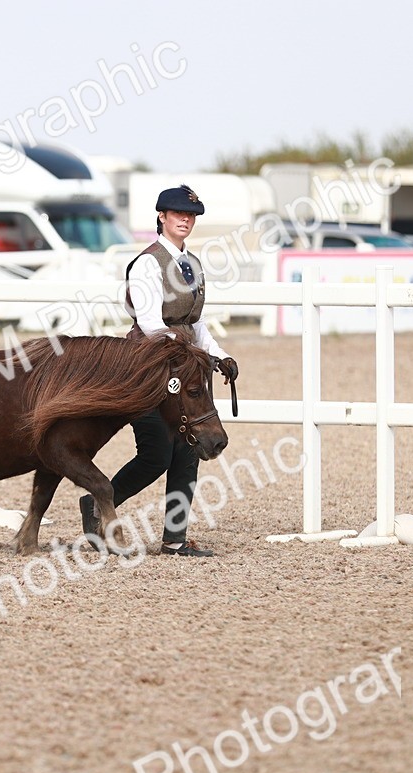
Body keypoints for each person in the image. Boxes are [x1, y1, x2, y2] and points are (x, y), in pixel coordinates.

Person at [80, 184, 238, 557]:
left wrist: (219, 355)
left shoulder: (192, 265)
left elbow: (195, 322)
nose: (185, 220)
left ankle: (175, 538)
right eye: (177, 214)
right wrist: (192, 353)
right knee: (155, 454)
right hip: (148, 368)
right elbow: (152, 325)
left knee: (188, 452)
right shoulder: (148, 263)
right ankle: (98, 504)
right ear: (162, 218)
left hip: (185, 369)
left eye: (191, 215)